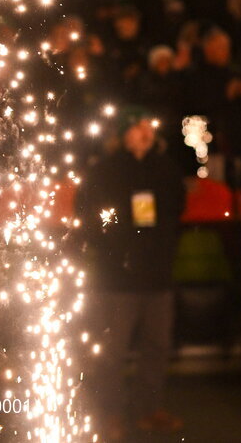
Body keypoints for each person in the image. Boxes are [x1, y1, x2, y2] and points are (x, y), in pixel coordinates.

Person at [74, 108, 186, 440]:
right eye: (137, 127)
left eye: (147, 126)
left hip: (157, 275)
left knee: (157, 345)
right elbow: (89, 215)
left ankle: (148, 409)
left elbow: (175, 210)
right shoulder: (105, 171)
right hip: (117, 279)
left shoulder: (166, 169)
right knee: (112, 351)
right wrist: (114, 248)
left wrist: (163, 248)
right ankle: (109, 413)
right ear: (123, 134)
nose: (144, 132)